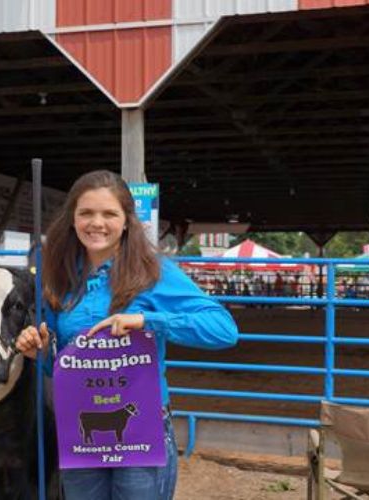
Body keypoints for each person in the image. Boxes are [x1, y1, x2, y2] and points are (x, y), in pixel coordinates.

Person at [16, 170, 238, 500]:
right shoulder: (56, 277)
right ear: (72, 219)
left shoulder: (154, 271)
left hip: (142, 428)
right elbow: (57, 365)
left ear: (126, 221)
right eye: (86, 213)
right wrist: (39, 351)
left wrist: (148, 320)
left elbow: (223, 329)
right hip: (80, 425)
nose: (97, 223)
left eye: (109, 213)